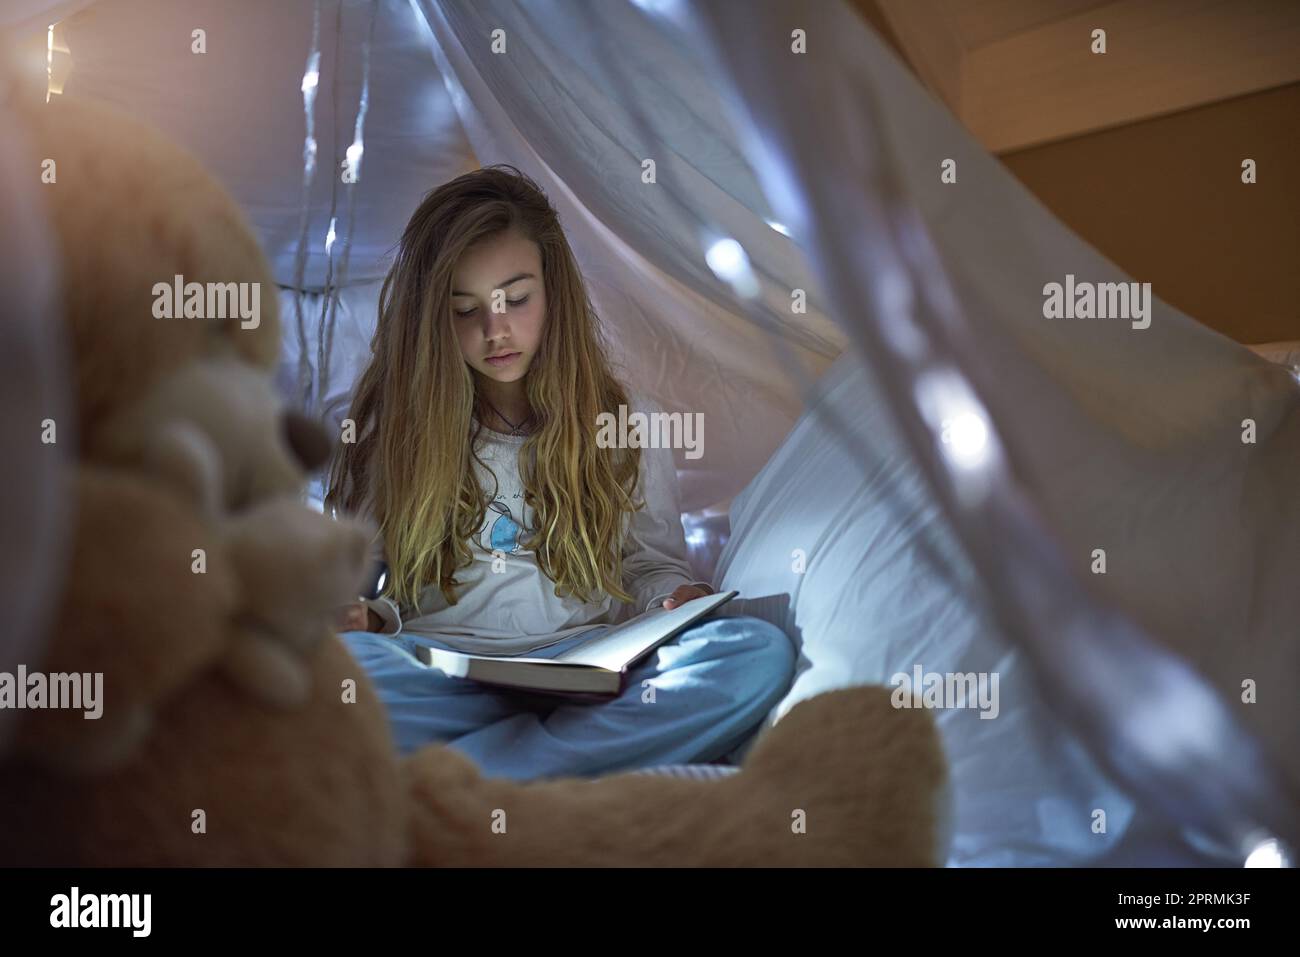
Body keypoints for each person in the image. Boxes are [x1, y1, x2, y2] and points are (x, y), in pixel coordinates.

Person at [328, 164, 794, 783]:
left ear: (554, 292)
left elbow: (650, 566)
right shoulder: (394, 425)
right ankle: (545, 763)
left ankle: (469, 774)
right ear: (434, 318)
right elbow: (365, 595)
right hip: (439, 669)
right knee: (335, 672)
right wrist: (356, 615)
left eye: (517, 300)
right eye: (466, 311)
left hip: (587, 668)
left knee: (752, 655)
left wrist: (675, 599)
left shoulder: (621, 419)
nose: (497, 331)